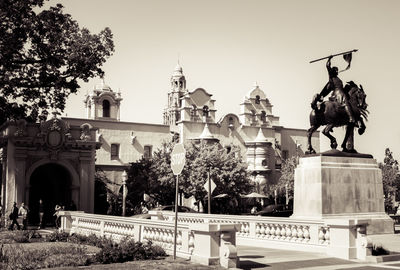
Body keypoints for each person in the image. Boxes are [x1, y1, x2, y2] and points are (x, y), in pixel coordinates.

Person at [316, 56, 355, 123]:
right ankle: (351, 117)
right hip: (338, 93)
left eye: (337, 70)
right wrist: (329, 59)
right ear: (333, 71)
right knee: (345, 102)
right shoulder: (332, 77)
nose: (337, 71)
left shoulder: (337, 79)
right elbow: (328, 66)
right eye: (336, 70)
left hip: (340, 92)